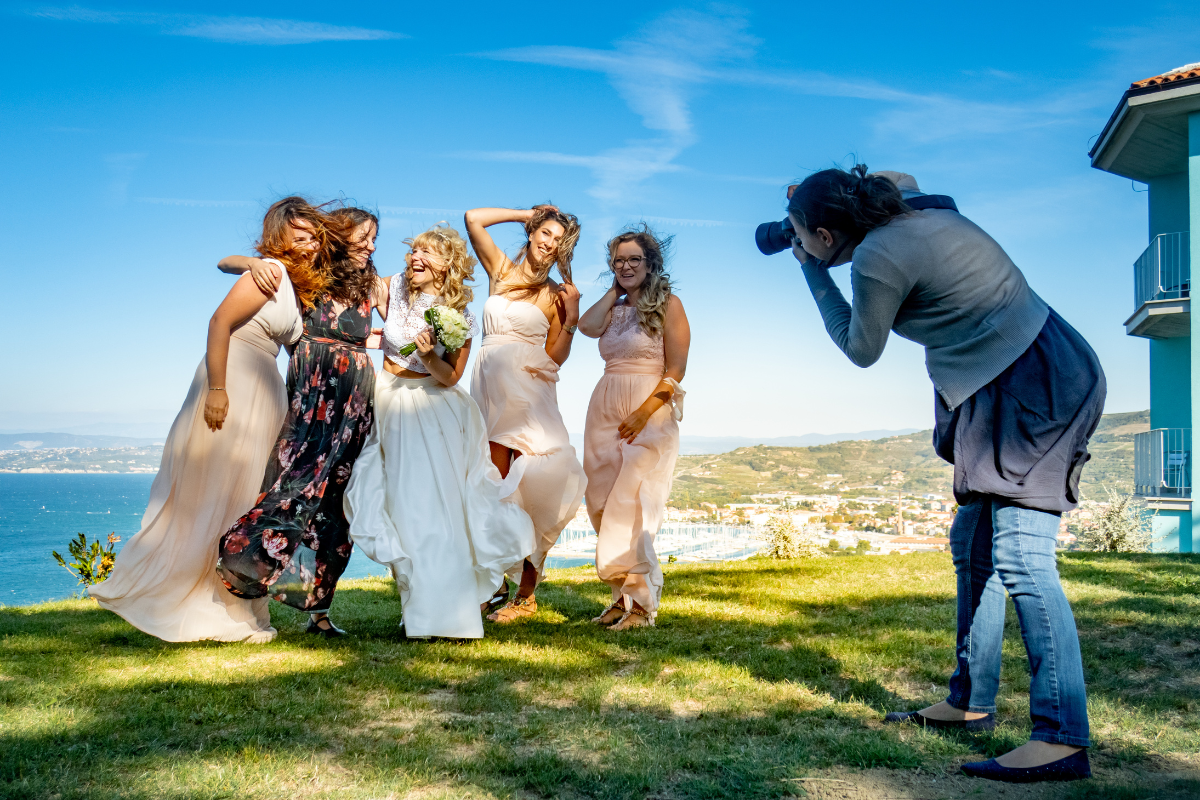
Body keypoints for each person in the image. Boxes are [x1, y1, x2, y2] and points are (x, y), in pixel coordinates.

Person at [788, 165, 1102, 783]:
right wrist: (811, 205)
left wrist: (810, 270)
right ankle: (970, 700)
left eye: (804, 233)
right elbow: (899, 177)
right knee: (974, 547)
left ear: (825, 233)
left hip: (1030, 384)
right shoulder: (914, 209)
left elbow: (860, 348)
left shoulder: (876, 254)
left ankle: (1062, 736)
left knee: (1021, 558)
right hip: (1019, 373)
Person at [90, 197, 332, 642]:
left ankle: (229, 598)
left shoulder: (292, 285)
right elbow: (219, 322)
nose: (310, 243)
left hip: (264, 386)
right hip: (235, 379)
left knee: (243, 496)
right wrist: (217, 390)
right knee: (216, 488)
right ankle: (194, 596)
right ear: (280, 236)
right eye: (300, 235)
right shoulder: (271, 271)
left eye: (314, 235)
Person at [344, 225, 535, 639]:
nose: (416, 257)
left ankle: (444, 615)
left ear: (447, 265)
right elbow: (347, 266)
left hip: (433, 411)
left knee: (434, 510)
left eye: (427, 252)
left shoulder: (460, 314)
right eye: (413, 250)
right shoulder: (391, 287)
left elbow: (451, 377)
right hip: (389, 402)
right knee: (399, 508)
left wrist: (430, 355)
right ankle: (418, 607)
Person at [216, 207, 386, 637]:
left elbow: (395, 323)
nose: (370, 246)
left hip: (355, 395)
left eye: (374, 239)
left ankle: (318, 610)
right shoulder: (309, 270)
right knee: (292, 482)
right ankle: (240, 561)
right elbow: (227, 263)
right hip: (314, 389)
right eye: (363, 237)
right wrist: (252, 263)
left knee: (335, 503)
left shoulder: (374, 285)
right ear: (341, 236)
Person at [463, 205, 587, 623]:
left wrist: (570, 317)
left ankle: (526, 595)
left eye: (558, 241)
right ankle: (489, 583)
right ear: (533, 232)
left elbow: (556, 356)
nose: (548, 244)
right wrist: (525, 213)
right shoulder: (501, 270)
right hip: (488, 390)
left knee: (537, 482)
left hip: (530, 391)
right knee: (490, 486)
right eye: (544, 233)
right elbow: (472, 218)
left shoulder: (557, 294)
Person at [577, 224, 689, 630]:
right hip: (605, 404)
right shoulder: (615, 307)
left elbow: (675, 370)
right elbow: (586, 328)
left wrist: (645, 411)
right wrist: (614, 292)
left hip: (649, 407)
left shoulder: (669, 304)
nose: (625, 265)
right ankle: (619, 596)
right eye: (618, 260)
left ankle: (641, 606)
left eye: (633, 259)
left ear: (650, 263)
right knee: (603, 502)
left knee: (636, 504)